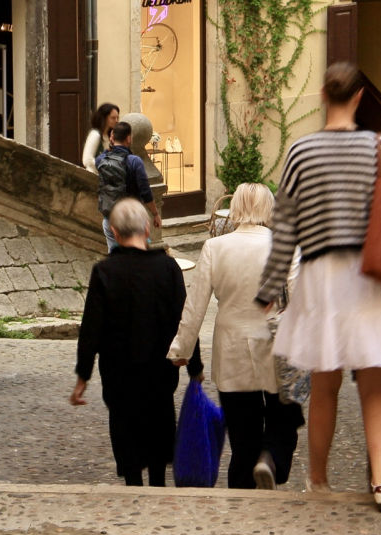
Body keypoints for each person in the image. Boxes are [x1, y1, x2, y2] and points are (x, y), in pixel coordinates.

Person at [255, 62, 381, 512]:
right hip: (371, 275)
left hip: (322, 277)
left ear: (324, 94)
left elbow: (285, 227)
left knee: (324, 386)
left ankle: (317, 482)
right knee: (374, 386)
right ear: (360, 97)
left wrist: (269, 286)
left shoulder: (300, 152)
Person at [167, 183, 304, 489]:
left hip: (231, 351)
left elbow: (195, 304)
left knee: (243, 436)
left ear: (236, 208)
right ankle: (271, 458)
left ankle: (242, 490)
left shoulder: (215, 248)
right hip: (275, 346)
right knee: (285, 414)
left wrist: (181, 348)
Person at [69, 198, 201, 486]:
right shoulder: (168, 268)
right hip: (160, 371)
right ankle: (157, 483)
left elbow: (91, 329)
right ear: (147, 228)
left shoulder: (104, 272)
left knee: (125, 427)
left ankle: (132, 485)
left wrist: (83, 377)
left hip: (119, 374)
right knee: (158, 424)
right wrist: (195, 368)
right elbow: (185, 321)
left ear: (114, 232)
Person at [94, 120, 160, 252]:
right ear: (129, 138)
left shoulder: (101, 159)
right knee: (137, 257)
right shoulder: (134, 161)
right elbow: (145, 191)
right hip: (132, 220)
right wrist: (155, 214)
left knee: (115, 257)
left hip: (110, 218)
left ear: (112, 138)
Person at [82, 102, 119, 168]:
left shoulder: (109, 136)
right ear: (104, 118)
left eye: (117, 118)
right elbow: (87, 160)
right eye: (113, 118)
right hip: (93, 175)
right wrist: (106, 166)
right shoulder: (95, 135)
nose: (116, 120)